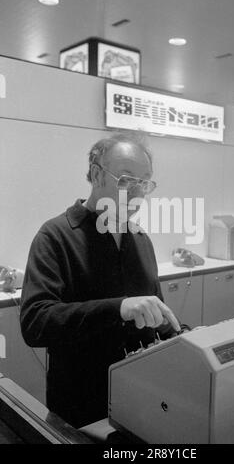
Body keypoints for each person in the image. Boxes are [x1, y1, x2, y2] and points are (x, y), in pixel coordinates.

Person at [20, 132, 180, 428]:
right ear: (96, 175)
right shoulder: (54, 236)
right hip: (81, 407)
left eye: (144, 182)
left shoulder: (141, 240)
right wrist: (118, 308)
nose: (137, 193)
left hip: (141, 400)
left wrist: (185, 335)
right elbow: (35, 323)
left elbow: (155, 316)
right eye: (125, 180)